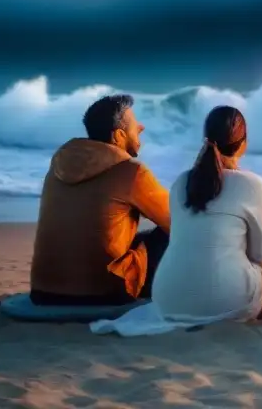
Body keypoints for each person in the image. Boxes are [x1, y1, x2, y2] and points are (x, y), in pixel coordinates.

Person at [30, 94, 171, 305]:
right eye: (134, 124)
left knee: (138, 238)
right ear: (118, 136)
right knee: (171, 234)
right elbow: (178, 222)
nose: (141, 127)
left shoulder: (59, 164)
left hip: (44, 293)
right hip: (105, 292)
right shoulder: (132, 172)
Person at [151, 105, 262, 324]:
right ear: (243, 144)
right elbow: (260, 255)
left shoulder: (181, 182)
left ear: (206, 139)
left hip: (167, 299)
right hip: (227, 302)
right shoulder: (252, 185)